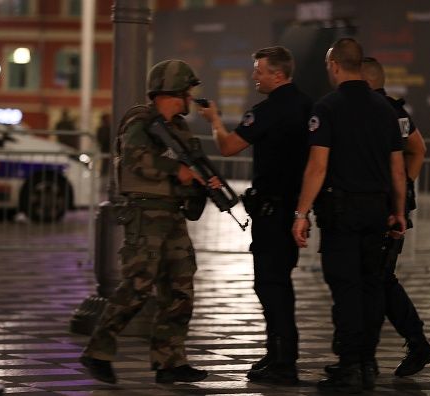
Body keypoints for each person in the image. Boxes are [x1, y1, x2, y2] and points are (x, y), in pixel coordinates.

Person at [80, 59, 217, 385]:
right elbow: (135, 159)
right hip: (145, 215)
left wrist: (202, 183)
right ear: (173, 91)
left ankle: (170, 361)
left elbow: (193, 166)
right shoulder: (140, 122)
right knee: (137, 287)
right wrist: (177, 172)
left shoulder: (179, 129)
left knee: (180, 289)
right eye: (187, 91)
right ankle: (97, 351)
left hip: (172, 215)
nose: (190, 98)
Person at [292, 38, 407, 392]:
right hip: (378, 211)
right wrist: (399, 212)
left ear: (335, 66)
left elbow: (317, 166)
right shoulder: (385, 108)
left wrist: (301, 212)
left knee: (346, 289)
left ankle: (350, 365)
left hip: (341, 213)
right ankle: (367, 362)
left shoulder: (327, 107)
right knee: (372, 287)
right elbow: (398, 169)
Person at [198, 46, 312, 385]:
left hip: (270, 212)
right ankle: (278, 353)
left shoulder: (268, 110)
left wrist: (215, 121)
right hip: (294, 209)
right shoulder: (309, 107)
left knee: (270, 285)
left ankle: (284, 361)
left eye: (259, 71)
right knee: (280, 283)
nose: (254, 77)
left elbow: (229, 146)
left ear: (277, 74)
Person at [360, 56, 430, 376]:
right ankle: (411, 344)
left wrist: (397, 193)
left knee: (377, 281)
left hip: (381, 209)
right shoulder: (397, 109)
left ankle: (394, 349)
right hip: (394, 206)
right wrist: (405, 187)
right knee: (379, 279)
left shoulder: (372, 110)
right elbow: (419, 149)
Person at [96, 113, 111, 177]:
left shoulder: (109, 128)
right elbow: (99, 138)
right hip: (105, 148)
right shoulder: (102, 128)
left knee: (107, 163)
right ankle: (104, 175)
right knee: (105, 163)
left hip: (107, 148)